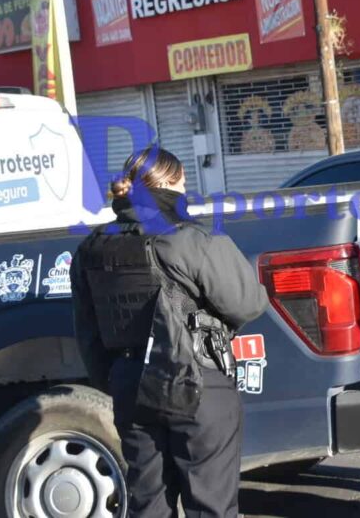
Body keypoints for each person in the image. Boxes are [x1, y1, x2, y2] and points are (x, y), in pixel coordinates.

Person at [71, 147, 268, 517]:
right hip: (196, 382)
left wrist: (117, 381)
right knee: (211, 506)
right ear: (169, 184)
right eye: (183, 183)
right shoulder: (191, 240)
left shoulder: (91, 249)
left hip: (131, 386)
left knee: (148, 507)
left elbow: (89, 333)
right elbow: (249, 303)